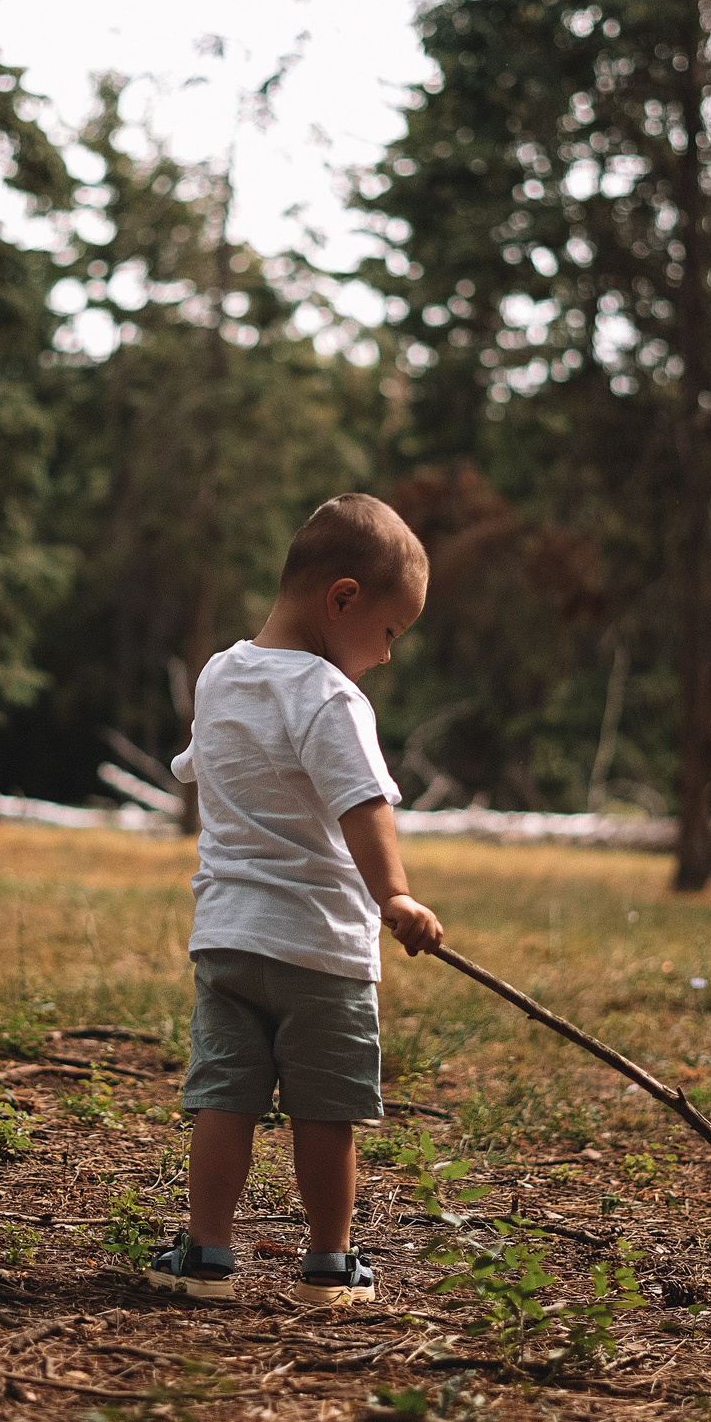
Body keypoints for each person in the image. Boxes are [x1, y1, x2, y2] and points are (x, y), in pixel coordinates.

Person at [149, 493, 444, 1306]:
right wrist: (396, 895)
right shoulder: (327, 696)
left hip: (229, 941)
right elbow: (363, 803)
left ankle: (205, 1252)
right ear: (342, 598)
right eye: (388, 633)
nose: (385, 656)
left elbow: (196, 764)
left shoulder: (220, 673)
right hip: (320, 948)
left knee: (224, 1097)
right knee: (325, 1110)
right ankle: (328, 1261)